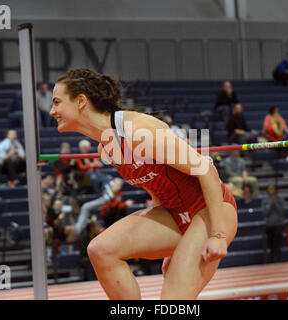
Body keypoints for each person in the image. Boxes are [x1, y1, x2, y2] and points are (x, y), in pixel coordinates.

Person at [50, 68, 238, 300]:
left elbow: (207, 170)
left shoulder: (137, 132)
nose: (52, 111)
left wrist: (218, 235)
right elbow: (155, 184)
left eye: (57, 102)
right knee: (100, 250)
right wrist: (173, 246)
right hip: (175, 214)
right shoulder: (106, 148)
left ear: (80, 101)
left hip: (210, 210)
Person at [262, 185, 285, 263]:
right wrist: (271, 204)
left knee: (277, 242)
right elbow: (265, 213)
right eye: (270, 189)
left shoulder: (280, 199)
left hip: (279, 224)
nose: (271, 191)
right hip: (269, 225)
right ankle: (273, 258)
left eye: (273, 189)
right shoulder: (265, 200)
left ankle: (278, 258)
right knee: (271, 242)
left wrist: (275, 204)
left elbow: (282, 211)